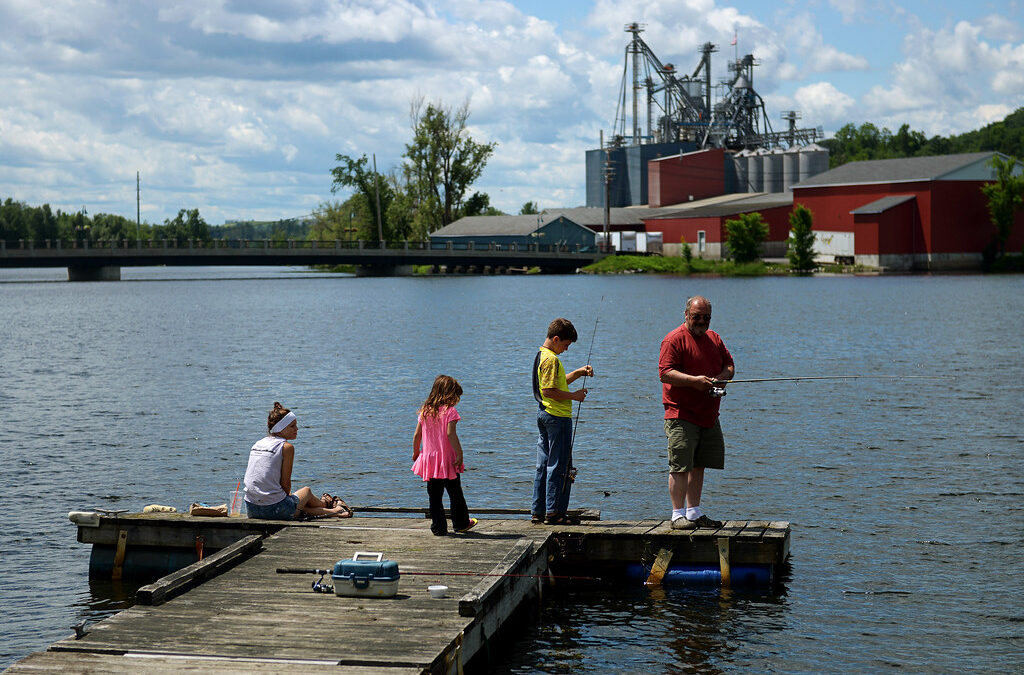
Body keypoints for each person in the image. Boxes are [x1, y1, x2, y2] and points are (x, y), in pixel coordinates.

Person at [658, 296, 734, 530]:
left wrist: (719, 379)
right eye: (696, 316)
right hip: (680, 414)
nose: (701, 321)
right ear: (686, 315)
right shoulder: (674, 339)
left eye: (706, 317)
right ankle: (676, 515)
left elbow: (729, 367)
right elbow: (665, 373)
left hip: (709, 414)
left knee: (699, 464)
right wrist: (695, 382)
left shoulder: (715, 338)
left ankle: (693, 512)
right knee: (680, 466)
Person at [532, 317, 594, 525]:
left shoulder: (543, 355)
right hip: (557, 418)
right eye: (566, 345)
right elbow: (549, 391)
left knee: (544, 464)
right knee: (559, 466)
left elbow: (555, 383)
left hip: (545, 415)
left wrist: (577, 373)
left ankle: (538, 511)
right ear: (556, 339)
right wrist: (574, 396)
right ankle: (554, 512)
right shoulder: (552, 359)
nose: (566, 349)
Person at [243, 402, 352, 520]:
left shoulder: (257, 444)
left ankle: (331, 508)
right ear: (281, 428)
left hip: (251, 509)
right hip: (276, 511)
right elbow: (285, 485)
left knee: (298, 504)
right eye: (292, 426)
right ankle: (332, 507)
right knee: (307, 491)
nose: (297, 429)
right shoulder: (286, 447)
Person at [413, 375, 478, 536]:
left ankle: (439, 528)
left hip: (430, 460)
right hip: (447, 460)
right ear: (450, 395)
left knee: (434, 496)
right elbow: (450, 434)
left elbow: (417, 435)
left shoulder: (425, 411)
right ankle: (461, 523)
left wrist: (415, 453)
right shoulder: (450, 412)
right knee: (455, 493)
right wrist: (460, 453)